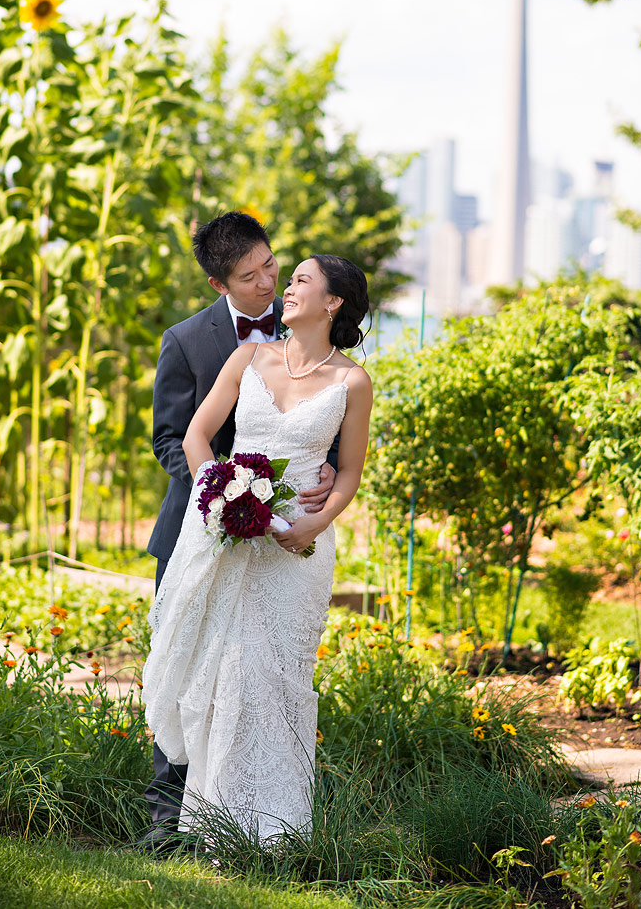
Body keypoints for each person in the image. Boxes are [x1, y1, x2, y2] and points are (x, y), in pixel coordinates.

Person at [141, 253, 373, 846]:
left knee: (278, 676)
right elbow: (196, 434)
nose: (286, 288)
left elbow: (348, 474)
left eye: (300, 281)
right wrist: (217, 497)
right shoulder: (249, 356)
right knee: (224, 670)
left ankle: (278, 830)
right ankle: (211, 823)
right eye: (287, 278)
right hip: (229, 537)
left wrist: (314, 527)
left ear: (333, 302)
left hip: (297, 550)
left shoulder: (352, 381)